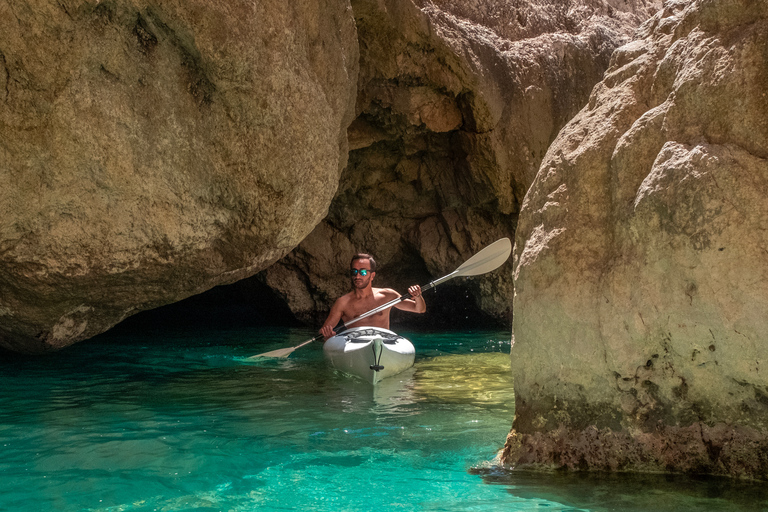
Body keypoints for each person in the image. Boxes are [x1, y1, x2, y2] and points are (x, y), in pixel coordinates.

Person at [320, 253, 425, 339]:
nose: (357, 276)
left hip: (383, 341)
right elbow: (323, 331)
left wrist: (418, 296)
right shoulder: (343, 302)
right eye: (354, 271)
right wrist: (327, 336)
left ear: (372, 275)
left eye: (363, 272)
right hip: (356, 344)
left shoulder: (387, 295)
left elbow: (419, 309)